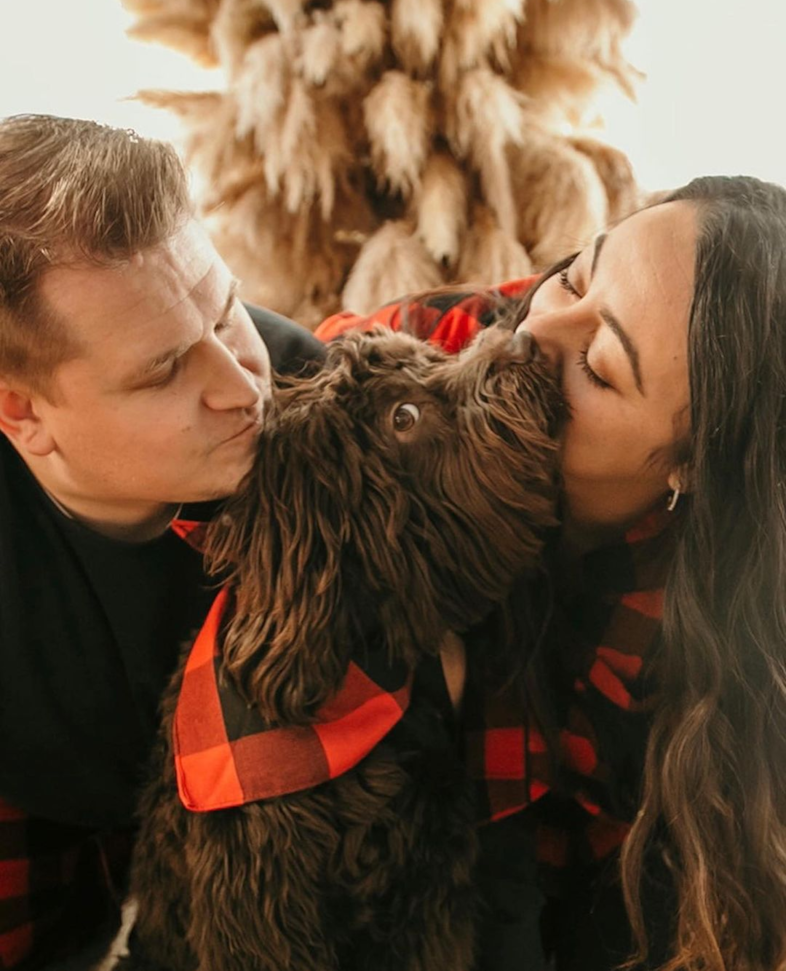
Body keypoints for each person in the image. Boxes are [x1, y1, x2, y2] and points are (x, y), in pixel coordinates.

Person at [315, 177, 786, 971]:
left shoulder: (737, 610)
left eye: (600, 367)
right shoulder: (420, 367)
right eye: (576, 274)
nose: (533, 331)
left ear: (695, 466)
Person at [0, 114, 324, 969]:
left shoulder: (320, 420)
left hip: (255, 837)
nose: (240, 387)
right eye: (163, 370)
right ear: (21, 413)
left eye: (225, 314)